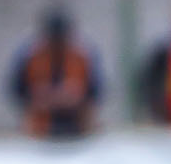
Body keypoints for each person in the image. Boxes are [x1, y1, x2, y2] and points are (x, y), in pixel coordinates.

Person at [12, 8, 103, 139]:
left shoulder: (83, 55)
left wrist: (74, 97)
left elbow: (97, 91)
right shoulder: (30, 55)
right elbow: (16, 90)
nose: (57, 44)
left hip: (80, 129)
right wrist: (38, 97)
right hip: (38, 129)